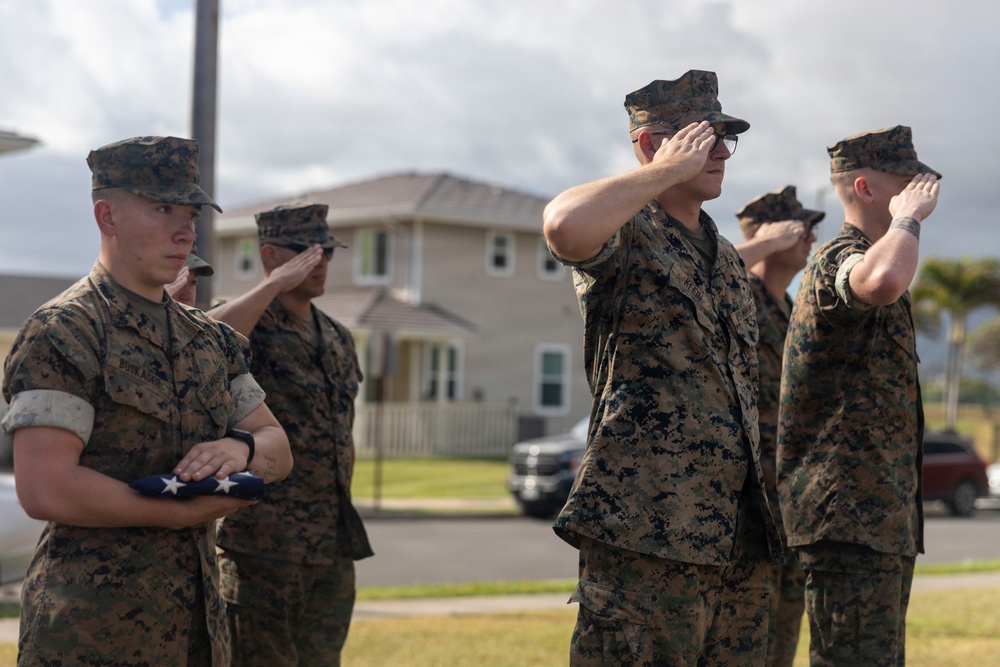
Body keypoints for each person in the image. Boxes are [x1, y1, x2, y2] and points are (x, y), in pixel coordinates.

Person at [0, 135, 294, 666]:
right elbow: (46, 488)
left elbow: (278, 446)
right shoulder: (65, 331)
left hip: (199, 632)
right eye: (162, 209)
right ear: (107, 216)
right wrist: (174, 515)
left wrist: (241, 452)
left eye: (192, 212)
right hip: (91, 634)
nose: (185, 230)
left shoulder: (210, 338)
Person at [543, 69, 782, 666]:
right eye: (706, 136)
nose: (723, 150)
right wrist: (660, 175)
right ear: (653, 144)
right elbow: (563, 226)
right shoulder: (629, 232)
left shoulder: (725, 256)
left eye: (728, 136)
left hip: (736, 534)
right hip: (646, 529)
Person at [777, 126, 940, 666]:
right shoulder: (835, 260)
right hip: (845, 516)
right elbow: (882, 282)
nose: (923, 190)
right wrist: (907, 219)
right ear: (866, 188)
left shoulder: (876, 252)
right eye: (908, 182)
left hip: (878, 518)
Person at [210, 201, 373, 666]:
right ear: (271, 255)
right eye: (304, 250)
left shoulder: (338, 338)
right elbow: (203, 340)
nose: (319, 260)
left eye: (326, 251)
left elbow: (344, 429)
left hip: (329, 541)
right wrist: (272, 287)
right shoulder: (248, 324)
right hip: (262, 544)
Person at [734, 185, 823, 667]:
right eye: (802, 228)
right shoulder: (734, 294)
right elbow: (700, 272)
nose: (812, 238)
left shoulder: (790, 309)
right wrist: (765, 242)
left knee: (782, 637)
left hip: (787, 500)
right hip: (745, 507)